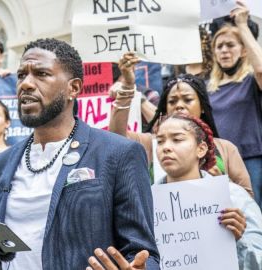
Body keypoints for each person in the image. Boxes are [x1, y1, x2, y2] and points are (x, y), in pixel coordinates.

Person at [0, 38, 159, 269]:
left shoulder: (119, 153)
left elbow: (145, 255)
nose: (26, 84)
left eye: (41, 74)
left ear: (73, 88)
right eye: (21, 75)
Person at [109, 53, 253, 196]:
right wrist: (128, 86)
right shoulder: (150, 143)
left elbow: (247, 199)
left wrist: (222, 186)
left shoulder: (226, 148)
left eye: (187, 99)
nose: (179, 106)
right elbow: (116, 138)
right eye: (172, 101)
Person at [153, 114, 261, 270]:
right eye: (160, 141)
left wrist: (238, 240)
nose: (166, 147)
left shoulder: (233, 197)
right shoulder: (147, 200)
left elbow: (258, 262)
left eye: (177, 139)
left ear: (201, 149)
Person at [207, 1, 262, 208]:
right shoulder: (208, 88)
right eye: (219, 46)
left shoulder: (250, 82)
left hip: (250, 159)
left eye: (230, 45)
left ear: (244, 50)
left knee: (252, 211)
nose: (224, 51)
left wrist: (242, 25)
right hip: (218, 163)